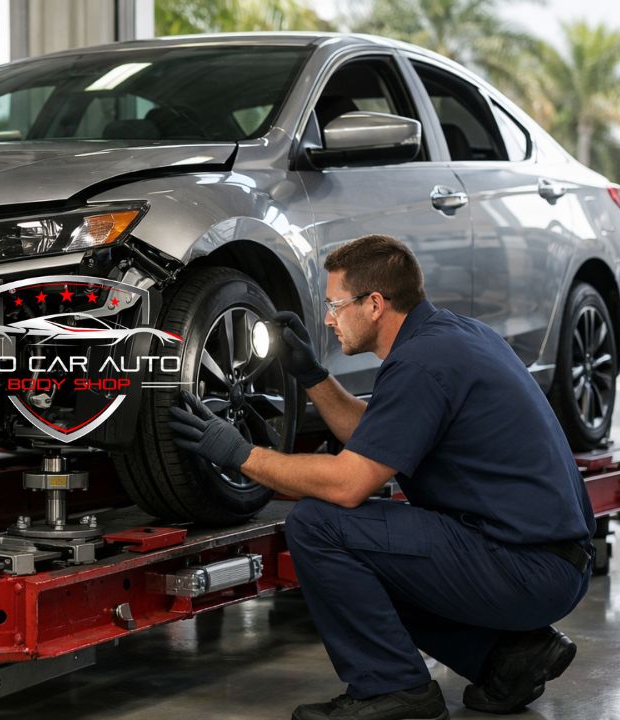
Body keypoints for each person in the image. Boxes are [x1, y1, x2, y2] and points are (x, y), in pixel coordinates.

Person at [169, 234, 595, 720]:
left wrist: (240, 453)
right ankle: (508, 658)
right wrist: (313, 377)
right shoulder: (452, 337)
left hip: (525, 568)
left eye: (334, 304)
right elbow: (376, 436)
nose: (328, 318)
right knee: (375, 544)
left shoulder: (420, 363)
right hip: (546, 559)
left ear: (374, 304)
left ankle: (393, 688)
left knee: (319, 525)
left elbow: (350, 483)